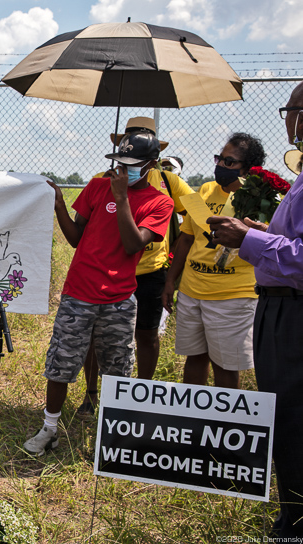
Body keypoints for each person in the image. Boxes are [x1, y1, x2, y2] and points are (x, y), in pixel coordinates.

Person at [24, 131, 173, 455]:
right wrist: (60, 206)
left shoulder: (160, 202)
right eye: (121, 163)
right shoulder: (95, 187)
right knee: (61, 363)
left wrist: (121, 200)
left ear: (152, 164)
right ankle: (50, 429)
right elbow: (76, 237)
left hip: (119, 299)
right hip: (79, 291)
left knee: (118, 368)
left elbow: (134, 243)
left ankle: (117, 435)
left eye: (133, 165)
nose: (125, 170)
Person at [207, 82, 303, 538]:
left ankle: (296, 524)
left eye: (293, 109)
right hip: (278, 308)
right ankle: (290, 514)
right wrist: (261, 232)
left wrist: (249, 239)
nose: (289, 118)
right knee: (285, 418)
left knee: (293, 421)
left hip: (293, 313)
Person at [78, 118, 194, 418]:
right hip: (108, 274)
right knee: (95, 336)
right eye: (128, 140)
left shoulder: (169, 183)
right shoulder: (102, 180)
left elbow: (197, 213)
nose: (132, 149)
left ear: (153, 156)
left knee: (146, 334)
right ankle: (91, 394)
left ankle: (141, 396)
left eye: (141, 142)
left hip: (150, 272)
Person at [161, 133, 265, 390]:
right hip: (192, 291)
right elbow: (186, 240)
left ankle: (221, 424)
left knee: (225, 365)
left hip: (232, 296)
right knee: (194, 358)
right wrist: (171, 281)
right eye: (219, 158)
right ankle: (193, 419)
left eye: (229, 162)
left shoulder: (260, 201)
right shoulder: (206, 190)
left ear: (248, 169)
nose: (220, 166)